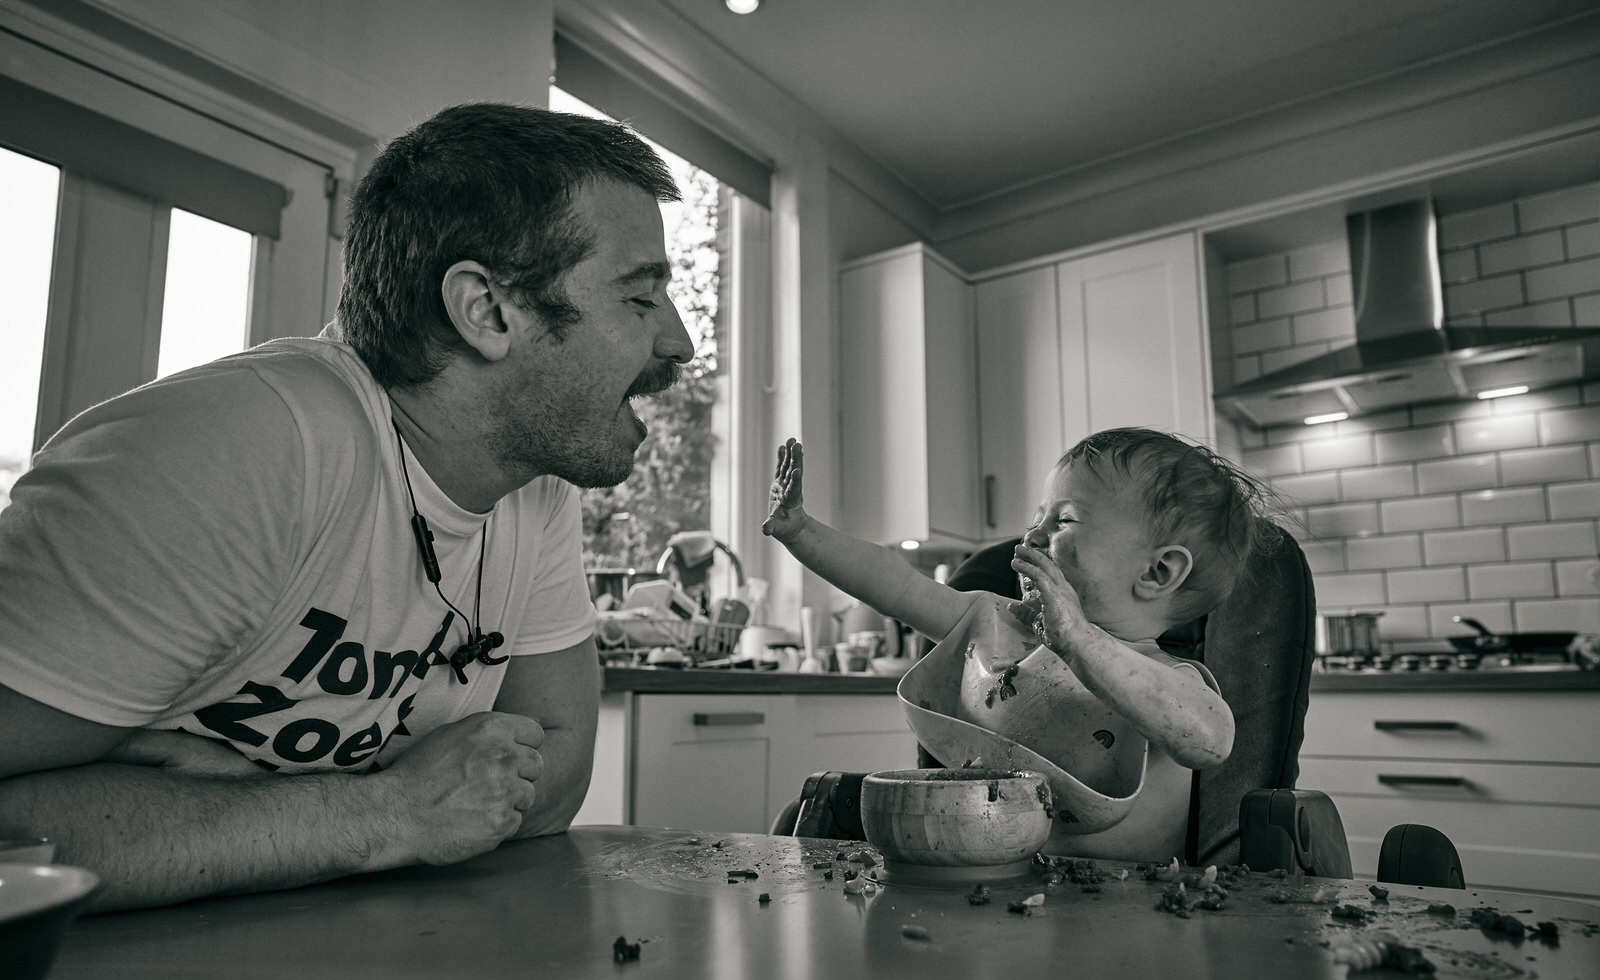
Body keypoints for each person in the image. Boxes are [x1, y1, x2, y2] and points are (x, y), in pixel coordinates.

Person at [0, 103, 694, 911]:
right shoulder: (245, 447)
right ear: (488, 310)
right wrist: (384, 806)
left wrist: (239, 806)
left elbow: (559, 771)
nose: (678, 341)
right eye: (641, 299)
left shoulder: (529, 484)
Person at [762, 427, 1277, 862]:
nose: (1031, 535)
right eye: (1039, 517)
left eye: (1064, 520)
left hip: (1132, 916)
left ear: (1159, 571)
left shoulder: (1166, 684)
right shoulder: (1000, 627)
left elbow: (1209, 741)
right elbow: (899, 588)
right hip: (995, 897)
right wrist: (803, 533)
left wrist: (1078, 641)